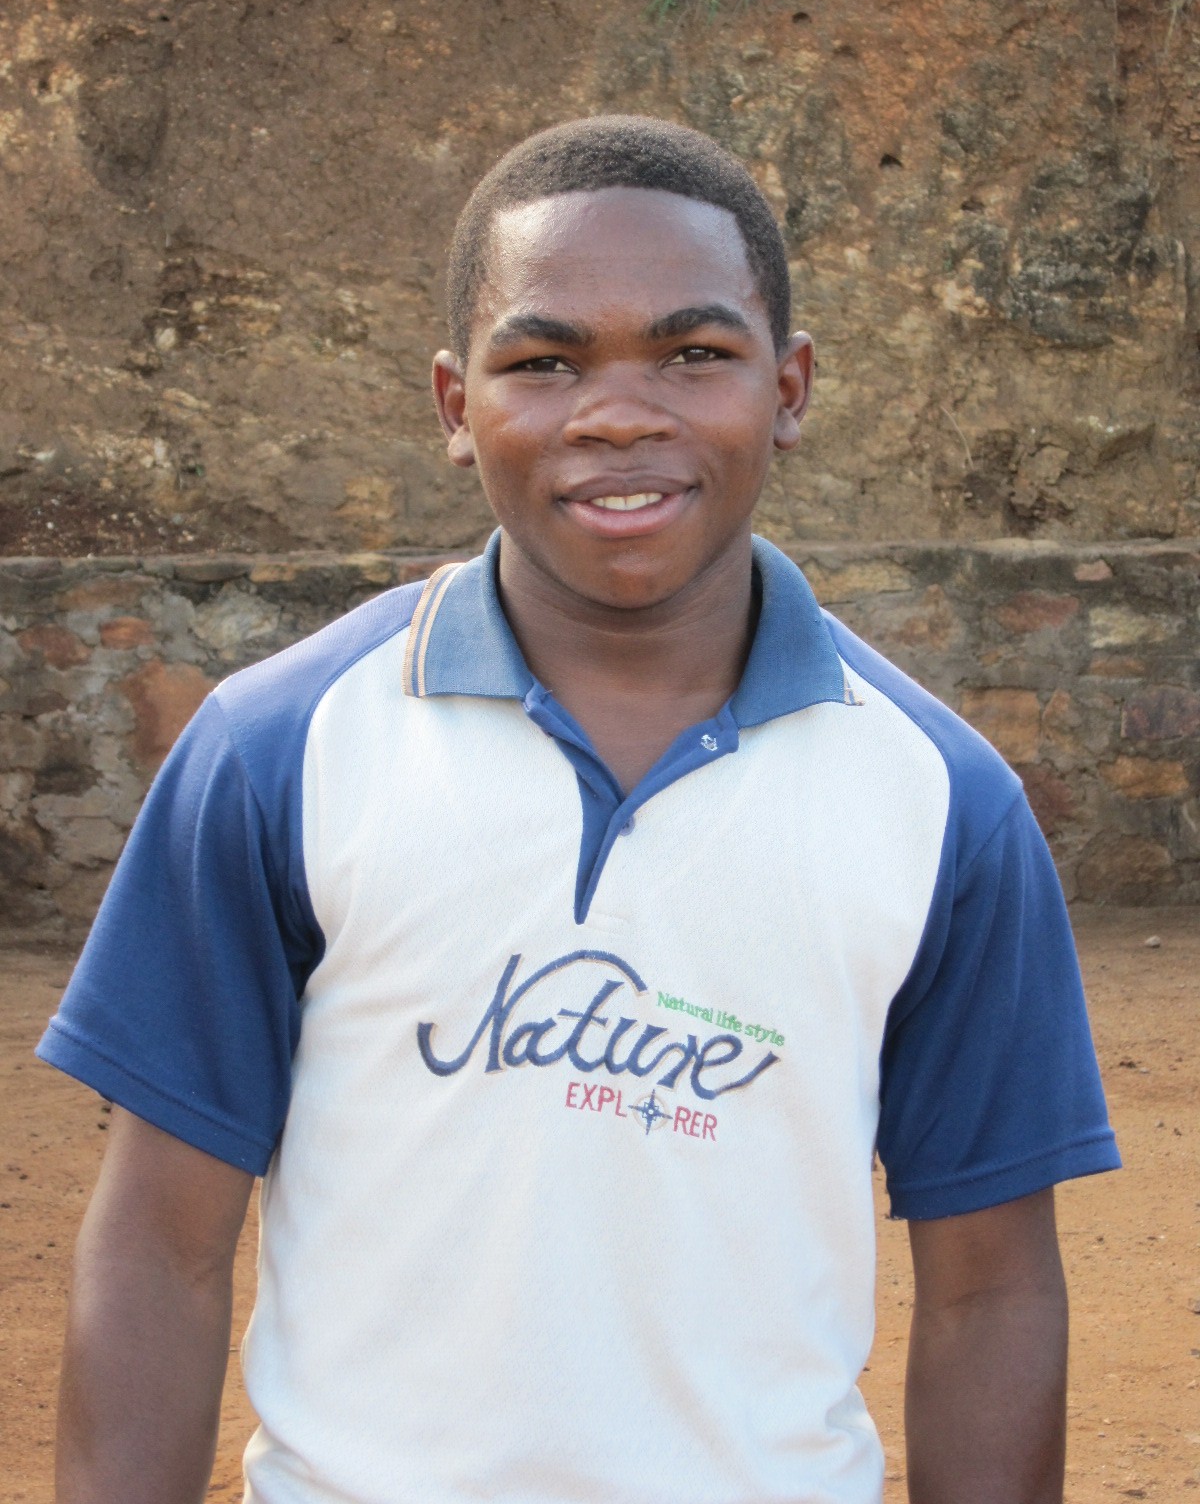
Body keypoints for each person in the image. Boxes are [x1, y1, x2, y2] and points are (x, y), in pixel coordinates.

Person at [39, 114, 1120, 1504]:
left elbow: (990, 1295)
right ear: (455, 406)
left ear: (789, 389)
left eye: (696, 354)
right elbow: (159, 1248)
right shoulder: (278, 750)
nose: (617, 413)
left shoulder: (942, 800)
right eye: (544, 363)